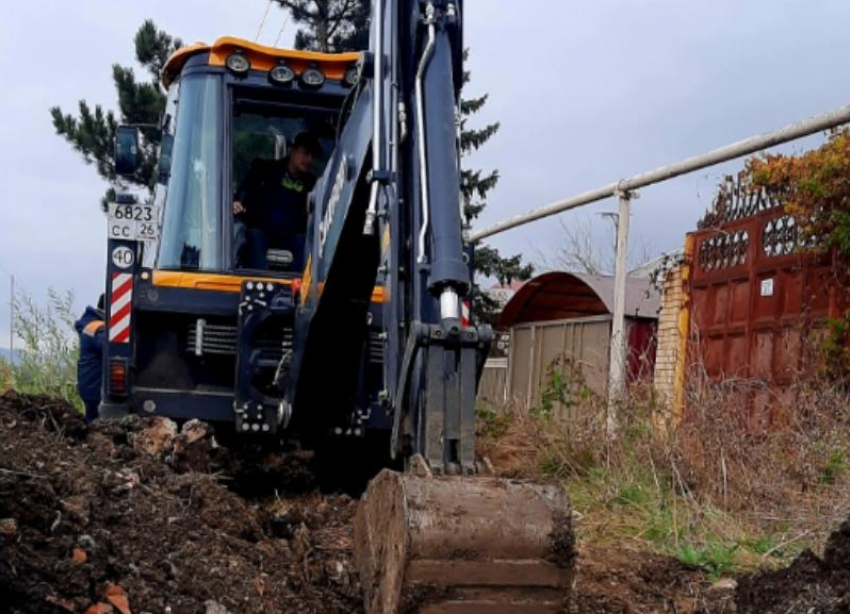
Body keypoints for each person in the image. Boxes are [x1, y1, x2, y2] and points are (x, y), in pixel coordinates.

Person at [233, 132, 322, 270]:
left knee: (305, 242)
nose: (309, 160)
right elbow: (245, 191)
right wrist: (238, 202)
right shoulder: (265, 169)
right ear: (293, 151)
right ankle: (259, 280)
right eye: (305, 153)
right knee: (253, 236)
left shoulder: (314, 185)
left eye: (313, 156)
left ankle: (300, 285)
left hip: (292, 235)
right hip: (263, 229)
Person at [74, 295, 106, 424]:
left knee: (92, 421)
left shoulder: (91, 324)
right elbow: (111, 348)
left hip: (90, 383)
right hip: (95, 385)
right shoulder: (98, 328)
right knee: (95, 424)